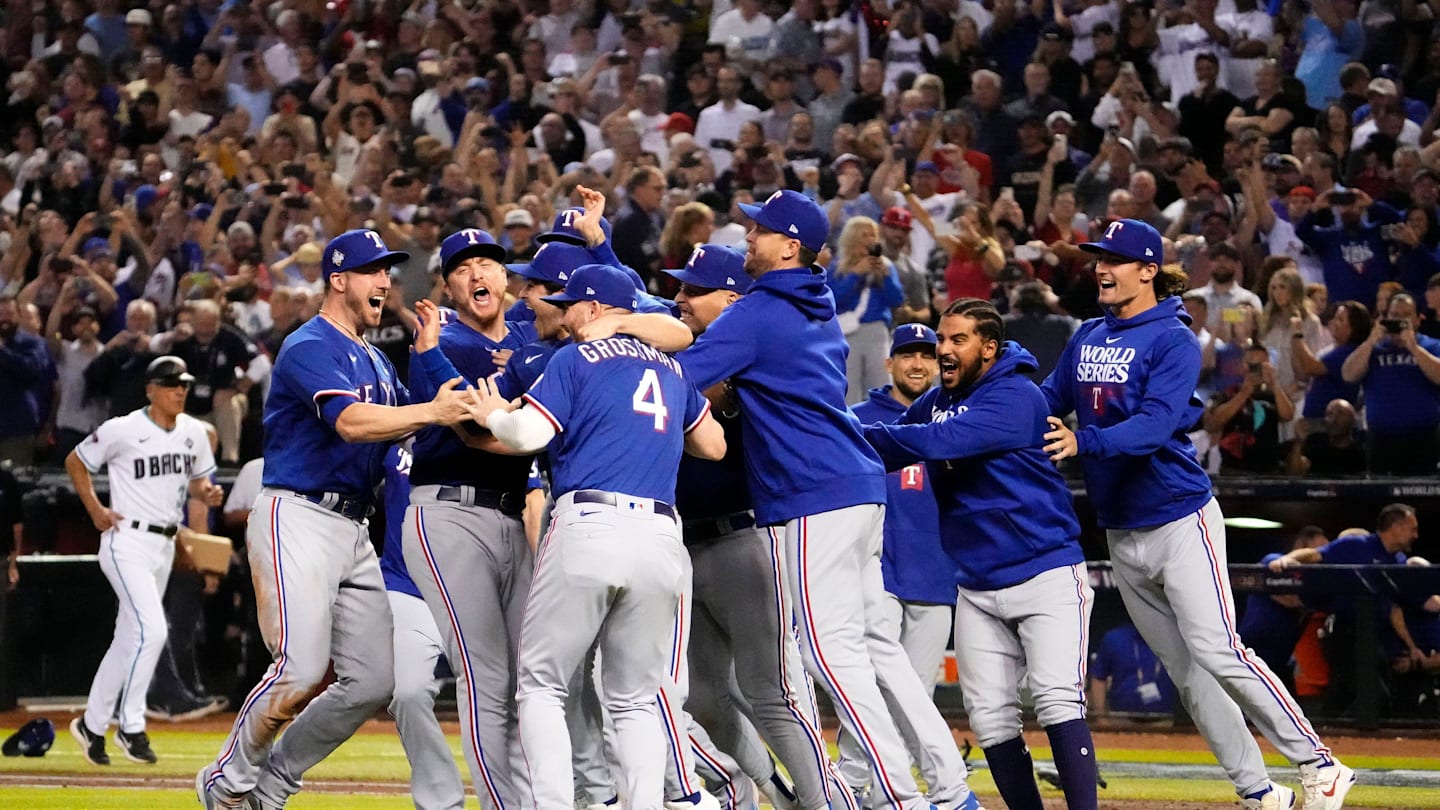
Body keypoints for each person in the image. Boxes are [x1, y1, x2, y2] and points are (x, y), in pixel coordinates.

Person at [678, 190, 979, 810]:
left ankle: (897, 799)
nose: (747, 239)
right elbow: (768, 383)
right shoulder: (814, 298)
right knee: (877, 650)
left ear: (789, 245)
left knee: (830, 653)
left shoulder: (758, 312)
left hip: (813, 495)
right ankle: (949, 789)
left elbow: (672, 373)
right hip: (857, 490)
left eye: (758, 231)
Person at [1041, 219, 1354, 810]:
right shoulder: (1086, 335)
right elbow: (1047, 401)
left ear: (1148, 270)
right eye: (1097, 258)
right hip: (1121, 525)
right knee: (1187, 673)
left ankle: (1321, 763)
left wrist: (1086, 444)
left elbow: (1159, 425)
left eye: (1113, 259)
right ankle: (1259, 792)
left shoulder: (1173, 338)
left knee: (1219, 650)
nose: (1101, 268)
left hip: (1180, 517)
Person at [197, 229, 485, 809]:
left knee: (374, 680)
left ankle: (273, 781)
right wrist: (431, 409)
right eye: (373, 270)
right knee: (300, 670)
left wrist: (429, 353)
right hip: (297, 514)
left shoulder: (377, 357)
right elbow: (352, 423)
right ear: (338, 279)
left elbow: (418, 423)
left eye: (388, 271)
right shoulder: (309, 344)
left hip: (353, 527)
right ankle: (226, 784)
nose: (386, 281)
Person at [467, 263, 726, 810]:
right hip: (660, 535)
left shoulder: (576, 358)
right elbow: (714, 444)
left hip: (591, 522)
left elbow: (529, 433)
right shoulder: (672, 368)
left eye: (569, 305)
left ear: (592, 309)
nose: (562, 314)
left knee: (541, 685)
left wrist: (493, 414)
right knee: (634, 700)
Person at [863, 300, 1097, 810]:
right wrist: (838, 432)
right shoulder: (941, 398)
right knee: (990, 718)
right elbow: (901, 434)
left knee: (1057, 701)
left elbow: (931, 440)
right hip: (976, 582)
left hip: (1046, 572)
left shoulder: (1015, 395)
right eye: (942, 339)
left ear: (988, 348)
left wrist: (839, 433)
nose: (944, 350)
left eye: (956, 340)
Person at [665, 244, 842, 810]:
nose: (681, 298)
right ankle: (778, 793)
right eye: (682, 287)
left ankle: (826, 804)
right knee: (705, 698)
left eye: (695, 290)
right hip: (683, 544)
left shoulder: (756, 354)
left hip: (746, 538)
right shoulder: (692, 350)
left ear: (735, 299)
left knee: (774, 692)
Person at [405, 228, 539, 808]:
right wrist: (429, 355)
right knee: (485, 675)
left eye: (487, 264)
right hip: (449, 510)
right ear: (449, 286)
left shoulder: (536, 334)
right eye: (462, 269)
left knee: (529, 680)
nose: (477, 274)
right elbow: (470, 422)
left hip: (516, 516)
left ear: (506, 278)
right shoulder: (443, 342)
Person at [65, 356, 223, 767]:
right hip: (126, 540)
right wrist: (96, 509)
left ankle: (92, 724)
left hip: (164, 545)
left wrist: (205, 494)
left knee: (128, 639)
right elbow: (75, 461)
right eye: (171, 383)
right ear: (150, 388)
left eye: (184, 383)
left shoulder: (195, 432)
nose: (180, 390)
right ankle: (131, 725)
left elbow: (196, 481)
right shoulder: (124, 428)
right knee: (153, 630)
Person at [379, 440, 467, 810]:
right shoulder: (397, 431)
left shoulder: (488, 429)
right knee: (408, 692)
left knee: (509, 700)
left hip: (473, 593)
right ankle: (441, 801)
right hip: (407, 587)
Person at [1339, 293, 1440, 474]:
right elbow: (1348, 374)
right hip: (1381, 439)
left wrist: (1414, 348)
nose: (1399, 320)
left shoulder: (1432, 346)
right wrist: (1371, 340)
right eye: (1394, 315)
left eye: (1406, 315)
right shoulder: (1374, 350)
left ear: (1417, 320)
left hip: (1424, 437)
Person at [1089, 620, 1177, 716]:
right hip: (1121, 722)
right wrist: (1101, 717)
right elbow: (1099, 678)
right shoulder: (1115, 638)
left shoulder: (1176, 641)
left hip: (1167, 723)